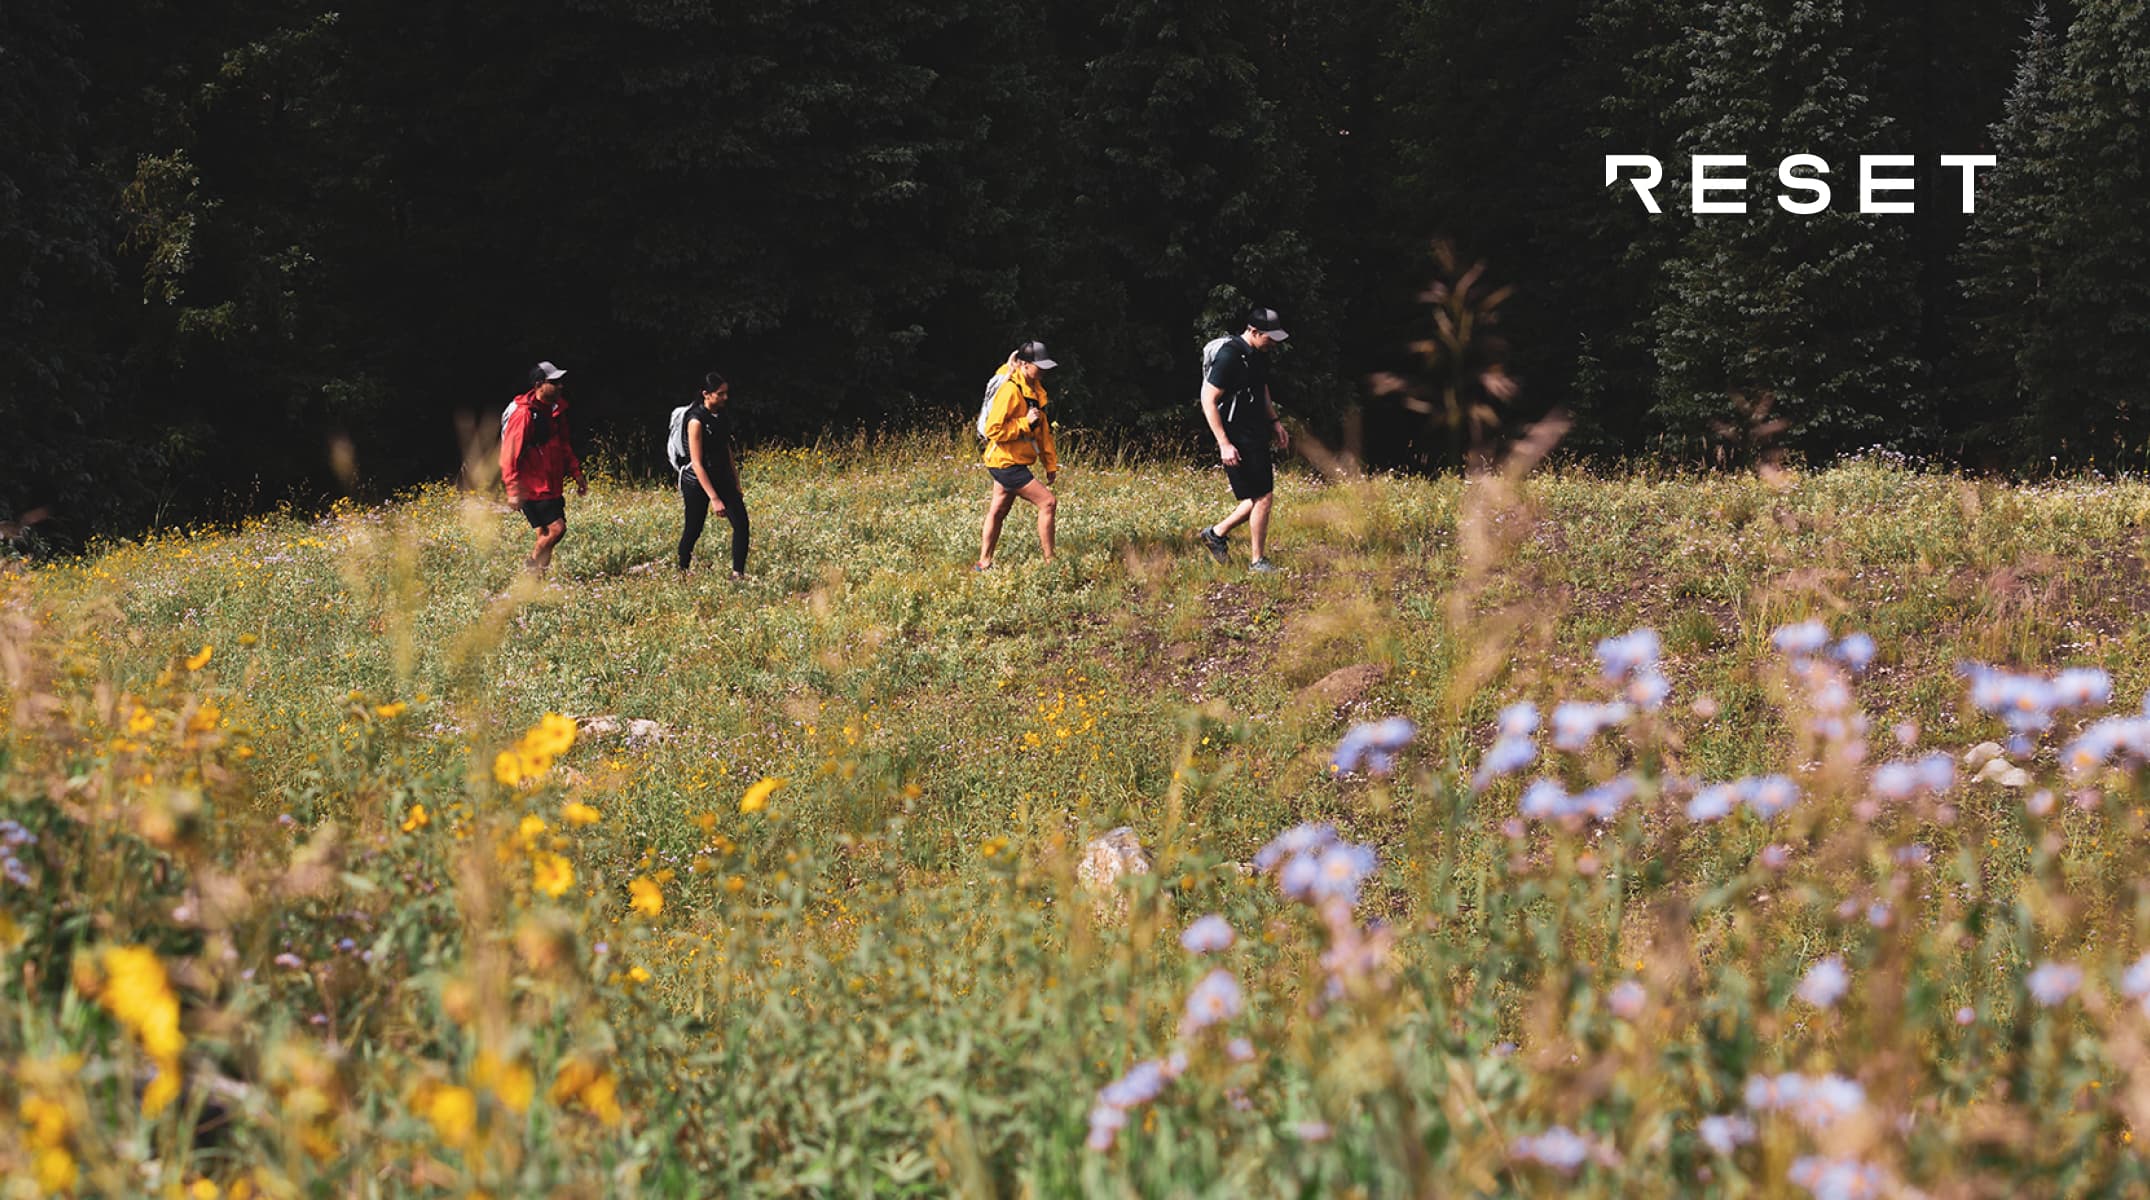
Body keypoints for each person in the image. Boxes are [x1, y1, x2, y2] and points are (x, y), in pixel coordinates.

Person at [1196, 308, 1291, 572]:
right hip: (1237, 436)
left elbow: (1261, 389)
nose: (1273, 343)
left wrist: (1275, 422)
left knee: (1258, 497)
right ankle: (1257, 561)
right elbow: (1208, 400)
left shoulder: (1257, 355)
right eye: (1269, 337)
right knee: (1263, 497)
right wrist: (1224, 443)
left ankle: (1215, 534)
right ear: (1253, 331)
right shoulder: (1229, 356)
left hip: (1256, 432)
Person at [975, 341, 1059, 571]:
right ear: (1023, 365)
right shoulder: (1011, 390)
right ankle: (1051, 563)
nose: (1043, 371)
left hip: (1011, 460)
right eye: (1038, 366)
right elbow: (994, 430)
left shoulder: (1034, 389)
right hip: (1005, 462)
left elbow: (1043, 433)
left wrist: (1050, 464)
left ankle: (983, 563)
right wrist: (1024, 422)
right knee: (1048, 503)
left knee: (999, 510)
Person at [500, 360, 586, 574]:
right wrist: (512, 490)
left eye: (560, 382)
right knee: (557, 529)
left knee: (544, 534)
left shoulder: (555, 412)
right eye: (554, 382)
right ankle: (529, 571)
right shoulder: (524, 414)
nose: (560, 386)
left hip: (551, 484)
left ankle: (538, 582)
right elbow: (509, 454)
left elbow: (564, 445)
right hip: (533, 486)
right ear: (539, 384)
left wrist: (577, 473)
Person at [677, 371, 749, 577]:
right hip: (697, 481)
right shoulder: (696, 421)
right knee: (694, 528)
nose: (725, 397)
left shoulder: (722, 416)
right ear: (706, 394)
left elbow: (726, 450)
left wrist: (736, 482)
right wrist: (715, 498)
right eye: (720, 393)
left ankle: (738, 575)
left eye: (726, 393)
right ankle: (682, 570)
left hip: (722, 476)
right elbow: (697, 463)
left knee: (742, 524)